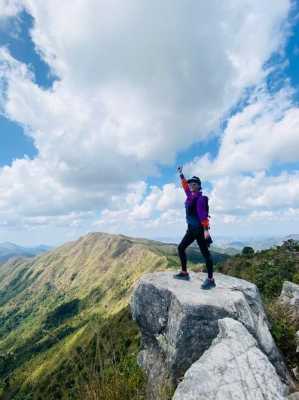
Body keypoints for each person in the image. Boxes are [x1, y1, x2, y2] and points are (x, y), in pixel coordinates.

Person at [174, 165, 216, 289]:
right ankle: (184, 272)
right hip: (191, 229)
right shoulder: (190, 196)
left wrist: (206, 231)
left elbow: (203, 216)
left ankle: (210, 279)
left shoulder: (200, 199)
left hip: (199, 230)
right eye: (190, 183)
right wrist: (181, 174)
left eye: (194, 183)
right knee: (181, 248)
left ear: (199, 185)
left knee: (206, 254)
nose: (191, 185)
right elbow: (185, 186)